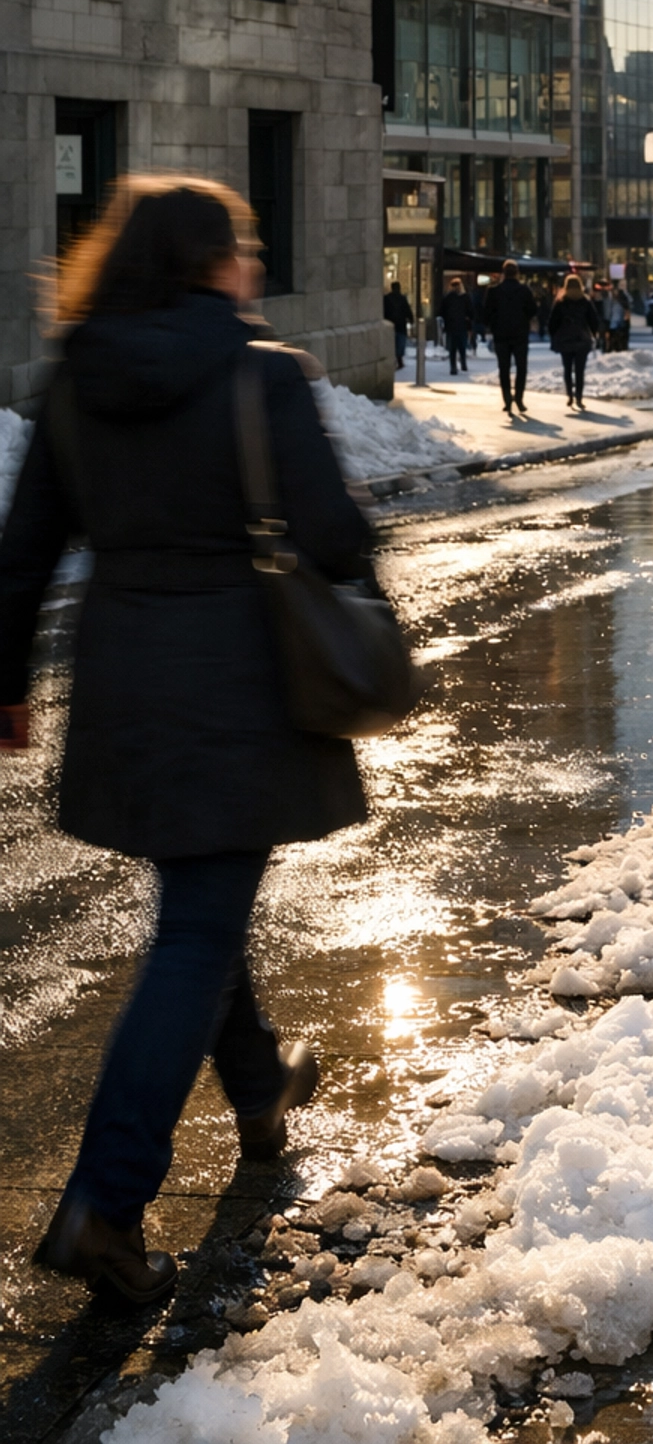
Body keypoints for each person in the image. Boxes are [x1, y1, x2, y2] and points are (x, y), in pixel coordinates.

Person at [0, 177, 372, 1306]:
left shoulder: (77, 376)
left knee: (202, 906)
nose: (253, 262)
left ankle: (258, 1088)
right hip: (240, 688)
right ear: (213, 262)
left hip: (124, 684)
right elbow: (337, 538)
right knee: (197, 931)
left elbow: (26, 547)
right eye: (244, 246)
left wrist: (6, 681)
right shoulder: (261, 375)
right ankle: (104, 1207)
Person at [484, 261, 539, 417]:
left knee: (504, 368)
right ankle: (519, 398)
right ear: (517, 273)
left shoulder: (494, 291)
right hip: (520, 334)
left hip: (501, 334)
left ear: (503, 273)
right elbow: (533, 310)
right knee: (521, 367)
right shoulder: (524, 291)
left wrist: (493, 324)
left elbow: (486, 313)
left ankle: (507, 399)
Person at [548, 274, 601, 410]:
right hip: (581, 340)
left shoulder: (561, 302)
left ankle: (569, 395)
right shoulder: (585, 301)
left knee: (567, 369)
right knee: (579, 370)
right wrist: (594, 334)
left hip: (565, 340)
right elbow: (594, 320)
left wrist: (554, 336)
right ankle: (579, 397)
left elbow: (552, 322)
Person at [439, 274, 471, 376]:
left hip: (451, 325)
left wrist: (445, 321)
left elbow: (441, 311)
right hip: (462, 325)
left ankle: (453, 367)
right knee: (462, 346)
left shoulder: (447, 297)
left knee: (452, 348)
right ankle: (463, 363)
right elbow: (471, 311)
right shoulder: (465, 297)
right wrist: (469, 320)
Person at [383, 279, 412, 371]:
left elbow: (383, 311)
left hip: (390, 324)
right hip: (401, 325)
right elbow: (407, 310)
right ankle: (399, 360)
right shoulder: (402, 298)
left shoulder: (386, 298)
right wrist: (411, 320)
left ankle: (393, 360)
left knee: (391, 343)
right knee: (400, 344)